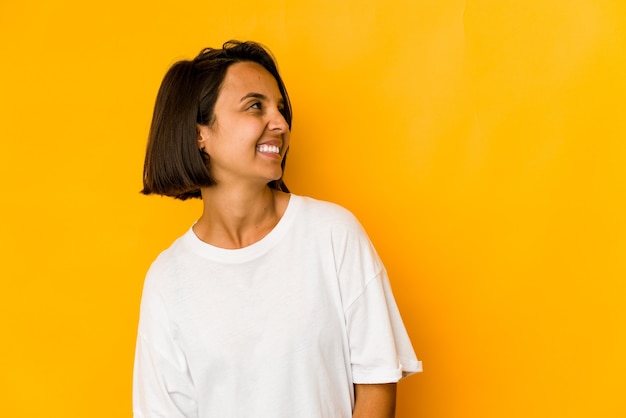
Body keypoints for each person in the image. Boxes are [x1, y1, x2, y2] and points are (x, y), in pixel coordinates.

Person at [133, 40, 422, 418]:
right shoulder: (168, 279)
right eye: (255, 106)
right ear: (200, 134)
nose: (281, 125)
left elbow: (376, 386)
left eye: (280, 110)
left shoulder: (333, 235)